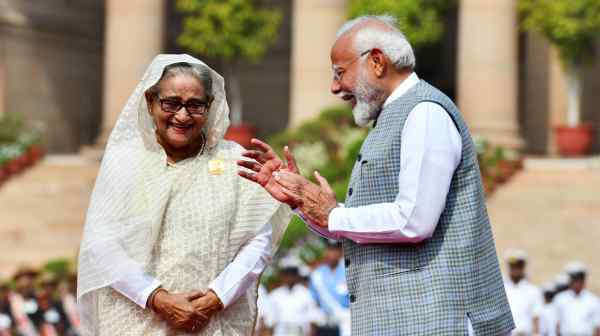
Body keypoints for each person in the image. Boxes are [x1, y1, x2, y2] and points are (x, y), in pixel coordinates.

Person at [237, 15, 514, 335]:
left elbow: (413, 220)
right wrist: (302, 200)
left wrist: (334, 216)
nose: (334, 87)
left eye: (340, 73)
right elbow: (364, 227)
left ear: (378, 62)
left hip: (435, 321)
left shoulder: (424, 113)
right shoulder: (395, 117)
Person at [77, 54, 291, 335]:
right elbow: (101, 244)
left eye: (195, 105)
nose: (182, 115)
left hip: (213, 320)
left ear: (210, 107)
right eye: (171, 103)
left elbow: (258, 241)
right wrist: (157, 297)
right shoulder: (125, 162)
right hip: (136, 319)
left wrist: (215, 298)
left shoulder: (234, 161)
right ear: (150, 103)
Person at [309, 241, 350, 336]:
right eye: (328, 249)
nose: (330, 253)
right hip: (326, 324)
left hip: (347, 323)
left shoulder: (348, 271)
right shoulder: (317, 274)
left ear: (340, 251)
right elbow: (313, 302)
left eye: (334, 249)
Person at [268, 266, 322, 336]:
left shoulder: (305, 293)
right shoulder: (275, 295)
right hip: (281, 331)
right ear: (282, 277)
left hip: (300, 331)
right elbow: (270, 320)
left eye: (292, 275)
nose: (289, 278)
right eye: (287, 276)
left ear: (297, 277)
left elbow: (313, 317)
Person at [502, 249, 542, 335]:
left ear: (523, 267)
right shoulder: (502, 290)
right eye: (513, 266)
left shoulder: (532, 291)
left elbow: (536, 317)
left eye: (519, 266)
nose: (516, 269)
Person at [554, 262, 600, 336]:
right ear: (570, 281)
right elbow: (557, 324)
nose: (577, 283)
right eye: (574, 280)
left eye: (580, 280)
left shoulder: (593, 300)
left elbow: (597, 327)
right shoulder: (560, 299)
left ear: (584, 281)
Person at [10, 267, 39, 336]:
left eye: (30, 277)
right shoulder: (11, 300)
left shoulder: (39, 298)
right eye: (23, 278)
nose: (27, 281)